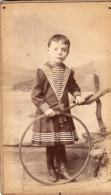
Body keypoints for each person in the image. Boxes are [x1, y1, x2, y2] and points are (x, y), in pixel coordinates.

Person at [31, 34, 85, 182]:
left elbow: (73, 87)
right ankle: (51, 168)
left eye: (64, 49)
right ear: (48, 50)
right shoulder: (42, 71)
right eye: (55, 49)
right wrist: (45, 108)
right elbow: (35, 95)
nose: (59, 52)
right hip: (48, 114)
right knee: (51, 143)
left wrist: (77, 95)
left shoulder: (68, 72)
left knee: (61, 142)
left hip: (63, 114)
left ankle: (63, 167)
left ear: (68, 52)